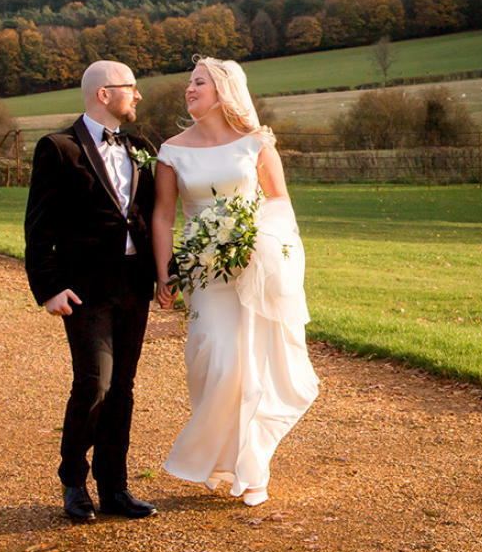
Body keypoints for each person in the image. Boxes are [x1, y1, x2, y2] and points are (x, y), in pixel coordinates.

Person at [154, 57, 318, 507]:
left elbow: (278, 198)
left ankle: (252, 468)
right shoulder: (171, 151)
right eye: (189, 82)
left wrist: (257, 239)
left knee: (254, 366)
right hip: (203, 272)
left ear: (224, 90)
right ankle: (219, 456)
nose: (190, 89)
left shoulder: (255, 143)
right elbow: (164, 215)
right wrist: (163, 270)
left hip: (254, 266)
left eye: (199, 82)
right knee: (217, 361)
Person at [24, 60, 161, 523]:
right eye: (131, 88)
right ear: (104, 94)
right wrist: (48, 288)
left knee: (122, 387)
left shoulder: (142, 146)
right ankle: (72, 479)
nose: (138, 96)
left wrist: (166, 272)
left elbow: (150, 219)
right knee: (95, 384)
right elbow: (38, 228)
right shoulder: (58, 149)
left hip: (133, 286)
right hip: (83, 290)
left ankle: (115, 486)